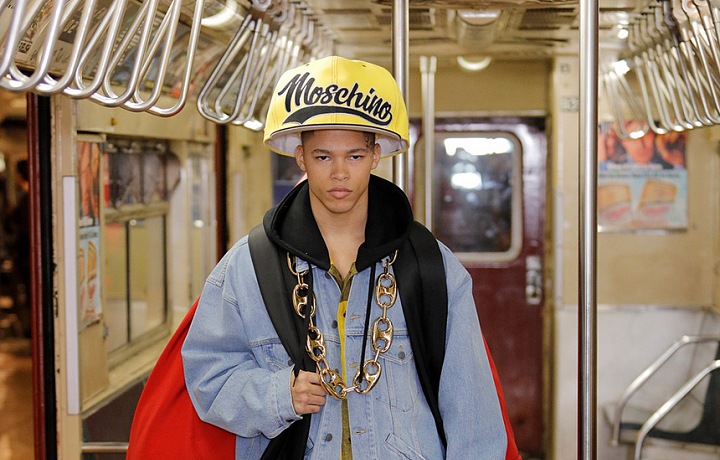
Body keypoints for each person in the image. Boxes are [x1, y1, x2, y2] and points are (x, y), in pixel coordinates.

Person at [182, 56, 518, 459]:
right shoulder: (247, 269)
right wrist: (277, 395)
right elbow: (208, 376)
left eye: (354, 156)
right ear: (301, 158)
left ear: (375, 156)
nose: (339, 172)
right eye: (323, 156)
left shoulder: (431, 266)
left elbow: (473, 414)